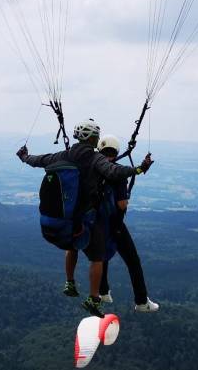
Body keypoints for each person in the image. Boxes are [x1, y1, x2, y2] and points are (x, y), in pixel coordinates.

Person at [17, 118, 153, 316]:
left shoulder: (63, 155)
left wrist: (24, 157)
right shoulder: (95, 158)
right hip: (87, 218)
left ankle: (70, 283)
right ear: (93, 138)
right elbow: (114, 171)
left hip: (68, 219)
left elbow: (39, 160)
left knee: (71, 246)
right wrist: (139, 169)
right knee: (97, 257)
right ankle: (94, 298)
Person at [96, 135, 159, 313]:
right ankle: (141, 301)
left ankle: (103, 291)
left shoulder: (95, 169)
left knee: (102, 253)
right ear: (115, 152)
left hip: (95, 221)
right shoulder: (117, 172)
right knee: (133, 260)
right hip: (114, 222)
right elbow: (121, 204)